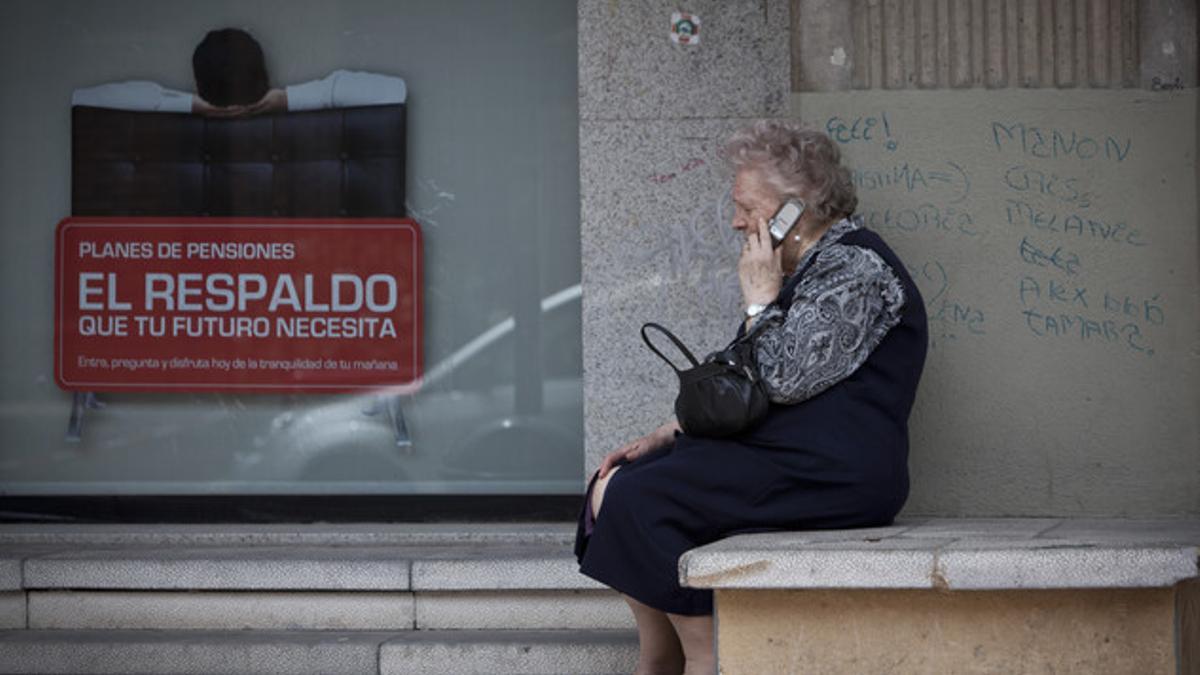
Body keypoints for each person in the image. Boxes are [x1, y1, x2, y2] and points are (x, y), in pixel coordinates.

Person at [574, 120, 928, 675]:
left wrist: (761, 303)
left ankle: (705, 654)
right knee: (610, 484)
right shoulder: (802, 270)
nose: (736, 221)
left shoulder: (857, 269)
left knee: (644, 501)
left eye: (746, 206)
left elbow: (783, 379)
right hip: (783, 455)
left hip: (837, 471)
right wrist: (668, 434)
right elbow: (741, 385)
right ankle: (659, 656)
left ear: (795, 209)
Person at [71, 27, 406, 116]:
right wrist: (288, 100)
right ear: (265, 74)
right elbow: (392, 90)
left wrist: (188, 105)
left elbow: (88, 99)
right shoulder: (280, 100)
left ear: (198, 85)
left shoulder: (190, 106)